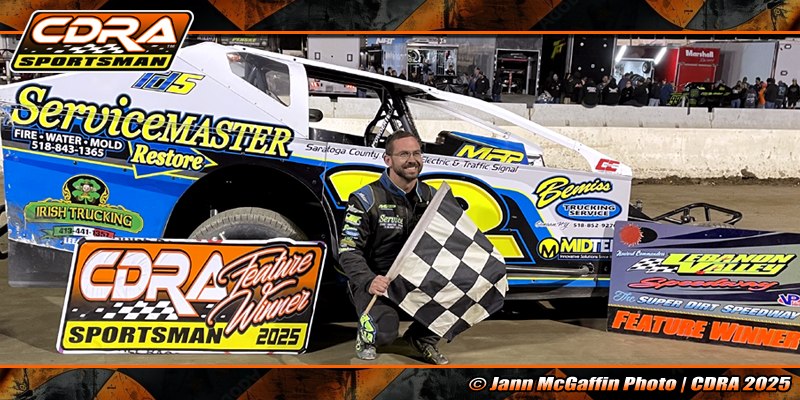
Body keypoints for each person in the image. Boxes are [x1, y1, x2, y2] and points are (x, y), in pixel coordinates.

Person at [338, 130, 448, 365]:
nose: (412, 160)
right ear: (388, 160)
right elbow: (348, 250)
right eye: (404, 154)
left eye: (417, 153)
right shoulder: (365, 198)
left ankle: (422, 339)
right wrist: (368, 280)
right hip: (377, 282)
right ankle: (367, 335)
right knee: (385, 334)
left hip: (416, 279)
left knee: (471, 288)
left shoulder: (433, 197)